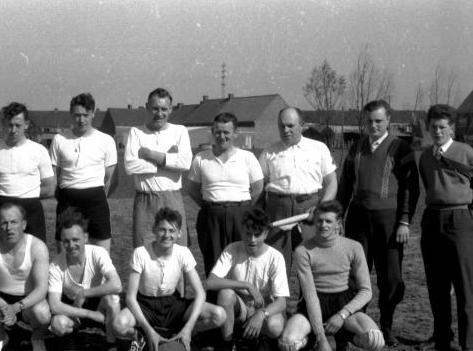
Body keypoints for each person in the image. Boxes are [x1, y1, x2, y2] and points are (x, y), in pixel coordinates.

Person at [337, 100, 419, 346]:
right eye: (369, 121)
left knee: (390, 276)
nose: (373, 125)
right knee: (356, 273)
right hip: (359, 217)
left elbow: (410, 188)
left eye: (379, 121)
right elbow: (344, 184)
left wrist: (404, 220)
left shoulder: (400, 148)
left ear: (389, 121)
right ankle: (358, 325)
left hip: (389, 220)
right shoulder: (356, 148)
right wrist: (339, 215)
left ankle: (386, 325)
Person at [112, 207, 226, 351]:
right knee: (118, 324)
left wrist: (189, 328)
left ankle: (181, 335)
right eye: (162, 230)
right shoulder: (141, 253)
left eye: (172, 231)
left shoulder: (183, 253)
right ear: (154, 230)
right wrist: (148, 330)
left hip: (173, 304)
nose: (167, 235)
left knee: (219, 315)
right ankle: (140, 337)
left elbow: (200, 293)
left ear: (179, 233)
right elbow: (130, 297)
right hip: (145, 303)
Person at [279, 201, 385, 351]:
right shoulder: (303, 250)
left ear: (338, 224)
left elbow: (366, 291)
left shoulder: (354, 247)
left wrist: (342, 315)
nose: (323, 225)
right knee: (287, 344)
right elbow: (310, 295)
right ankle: (313, 341)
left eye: (328, 221)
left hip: (344, 305)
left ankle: (342, 341)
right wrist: (321, 337)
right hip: (315, 303)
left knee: (375, 341)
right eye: (319, 220)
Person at [418, 104, 473, 351]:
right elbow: (430, 185)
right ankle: (441, 336)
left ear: (451, 128)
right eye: (433, 127)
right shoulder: (426, 156)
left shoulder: (465, 151)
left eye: (442, 127)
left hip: (460, 218)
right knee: (436, 282)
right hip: (432, 219)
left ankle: (468, 343)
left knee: (464, 283)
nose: (437, 131)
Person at [258, 107, 337, 274]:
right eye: (282, 126)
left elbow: (331, 183)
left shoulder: (318, 148)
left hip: (310, 210)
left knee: (312, 262)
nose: (285, 130)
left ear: (302, 125)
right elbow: (258, 188)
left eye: (290, 125)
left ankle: (309, 301)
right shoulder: (268, 153)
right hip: (278, 211)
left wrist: (320, 208)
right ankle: (278, 300)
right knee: (276, 265)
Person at [205, 208, 288, 351]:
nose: (252, 239)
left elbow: (282, 302)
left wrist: (261, 315)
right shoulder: (232, 248)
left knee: (275, 327)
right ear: (242, 231)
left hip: (264, 305)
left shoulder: (276, 257)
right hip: (241, 305)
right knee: (225, 293)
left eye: (257, 234)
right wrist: (246, 285)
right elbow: (210, 282)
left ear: (266, 233)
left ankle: (257, 337)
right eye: (247, 233)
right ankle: (229, 345)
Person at [187, 112, 264, 277]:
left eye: (226, 132)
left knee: (242, 260)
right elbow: (192, 189)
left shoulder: (247, 157)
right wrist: (212, 206)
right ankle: (215, 300)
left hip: (241, 215)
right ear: (213, 132)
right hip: (211, 216)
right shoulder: (201, 158)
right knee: (214, 261)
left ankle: (242, 299)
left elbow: (257, 188)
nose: (222, 136)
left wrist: (242, 209)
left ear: (235, 133)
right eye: (218, 132)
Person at [47, 209, 123, 351]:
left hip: (99, 306)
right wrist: (89, 314)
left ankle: (113, 348)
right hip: (76, 309)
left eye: (76, 240)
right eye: (66, 241)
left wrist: (84, 293)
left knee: (114, 301)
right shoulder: (55, 265)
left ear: (86, 238)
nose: (71, 245)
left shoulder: (98, 252)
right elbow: (54, 305)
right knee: (58, 324)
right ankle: (71, 337)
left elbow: (117, 285)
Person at [0, 203, 51, 351]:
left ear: (23, 224)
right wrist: (4, 307)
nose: (9, 227)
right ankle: (0, 337)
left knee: (43, 314)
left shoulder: (38, 247)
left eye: (14, 222)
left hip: (29, 299)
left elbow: (41, 289)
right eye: (4, 222)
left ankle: (37, 338)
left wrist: (15, 308)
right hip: (0, 297)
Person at [124, 88, 192, 249]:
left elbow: (185, 163)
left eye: (164, 109)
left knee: (177, 251)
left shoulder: (180, 131)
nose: (159, 113)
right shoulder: (136, 132)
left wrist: (149, 154)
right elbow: (129, 166)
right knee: (144, 251)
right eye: (155, 108)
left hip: (172, 198)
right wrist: (168, 160)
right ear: (147, 107)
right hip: (145, 200)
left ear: (171, 109)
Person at [50, 93, 118, 252]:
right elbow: (54, 177)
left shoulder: (106, 140)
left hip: (96, 204)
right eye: (77, 115)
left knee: (101, 256)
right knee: (66, 255)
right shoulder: (59, 139)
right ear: (71, 115)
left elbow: (111, 179)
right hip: (67, 203)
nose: (81, 120)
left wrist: (96, 196)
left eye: (85, 115)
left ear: (93, 113)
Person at [0, 102, 56, 242]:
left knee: (33, 256)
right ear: (4, 124)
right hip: (2, 210)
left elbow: (49, 188)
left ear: (26, 124)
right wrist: (7, 199)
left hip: (31, 211)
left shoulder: (39, 151)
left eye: (18, 125)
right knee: (0, 256)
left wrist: (25, 195)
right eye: (10, 125)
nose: (14, 130)